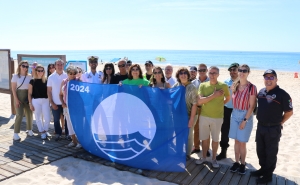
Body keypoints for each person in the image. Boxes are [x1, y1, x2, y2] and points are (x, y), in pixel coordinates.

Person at [251, 69, 293, 184]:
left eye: (271, 77)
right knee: (260, 150)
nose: (268, 80)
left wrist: (280, 123)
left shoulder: (283, 94)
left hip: (273, 129)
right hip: (260, 127)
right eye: (266, 77)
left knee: (271, 153)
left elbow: (289, 112)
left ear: (276, 79)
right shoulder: (261, 92)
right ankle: (263, 169)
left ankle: (268, 175)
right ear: (264, 79)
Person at [195, 66, 230, 168]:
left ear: (218, 74)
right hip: (204, 116)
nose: (212, 75)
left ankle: (214, 159)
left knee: (215, 139)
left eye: (214, 73)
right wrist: (214, 96)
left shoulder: (223, 86)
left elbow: (228, 98)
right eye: (210, 73)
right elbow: (200, 101)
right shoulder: (203, 85)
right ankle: (204, 157)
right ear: (208, 74)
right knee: (204, 139)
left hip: (218, 117)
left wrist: (220, 104)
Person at [228, 64, 257, 174]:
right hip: (234, 114)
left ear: (248, 72)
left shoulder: (251, 87)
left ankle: (243, 164)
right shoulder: (234, 85)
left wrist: (245, 120)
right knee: (236, 141)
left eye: (244, 70)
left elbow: (252, 106)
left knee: (242, 142)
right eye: (240, 70)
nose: (242, 72)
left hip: (246, 115)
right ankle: (236, 162)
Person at [173, 67, 198, 159]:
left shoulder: (192, 87)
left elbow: (195, 104)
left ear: (188, 75)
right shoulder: (176, 85)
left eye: (185, 73)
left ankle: (187, 154)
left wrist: (191, 119)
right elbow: (171, 97)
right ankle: (179, 152)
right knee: (178, 134)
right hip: (178, 115)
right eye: (181, 73)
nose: (183, 75)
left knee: (188, 135)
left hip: (189, 114)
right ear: (178, 76)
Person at [216, 63, 239, 160]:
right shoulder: (225, 82)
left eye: (234, 70)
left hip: (238, 111)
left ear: (238, 70)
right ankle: (223, 152)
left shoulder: (243, 82)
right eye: (231, 70)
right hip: (226, 109)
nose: (232, 72)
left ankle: (240, 155)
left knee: (238, 133)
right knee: (224, 131)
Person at [60, 66, 82, 149]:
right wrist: (62, 103)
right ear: (67, 73)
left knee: (77, 124)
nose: (72, 75)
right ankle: (74, 141)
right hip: (66, 106)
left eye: (74, 73)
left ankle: (80, 142)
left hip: (76, 107)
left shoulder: (79, 81)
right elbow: (60, 94)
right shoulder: (64, 82)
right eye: (71, 73)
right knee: (69, 125)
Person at [11, 60, 33, 140]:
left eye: (26, 66)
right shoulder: (15, 76)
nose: (25, 68)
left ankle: (29, 129)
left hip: (27, 96)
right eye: (23, 66)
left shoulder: (30, 76)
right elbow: (13, 89)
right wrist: (16, 100)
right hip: (18, 96)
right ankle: (16, 133)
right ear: (20, 66)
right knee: (19, 114)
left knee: (29, 113)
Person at [191, 64, 210, 156]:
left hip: (207, 108)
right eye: (200, 70)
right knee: (196, 128)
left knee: (207, 129)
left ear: (206, 70)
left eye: (203, 70)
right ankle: (197, 147)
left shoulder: (211, 81)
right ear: (198, 71)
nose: (202, 72)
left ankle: (206, 149)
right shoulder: (194, 82)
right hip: (197, 108)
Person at [28, 64, 51, 140]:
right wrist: (30, 103)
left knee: (47, 118)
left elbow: (49, 92)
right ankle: (42, 132)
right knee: (38, 118)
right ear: (36, 71)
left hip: (46, 100)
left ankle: (45, 130)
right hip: (36, 101)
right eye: (39, 70)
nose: (40, 72)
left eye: (42, 70)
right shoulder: (32, 81)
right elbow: (29, 93)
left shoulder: (46, 80)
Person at [47, 59, 68, 141]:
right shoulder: (51, 77)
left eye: (61, 65)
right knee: (56, 120)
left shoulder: (67, 76)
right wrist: (52, 102)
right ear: (55, 66)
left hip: (65, 103)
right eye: (58, 65)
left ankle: (67, 134)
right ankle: (58, 134)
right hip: (55, 102)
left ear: (63, 66)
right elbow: (49, 91)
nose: (60, 66)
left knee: (66, 120)